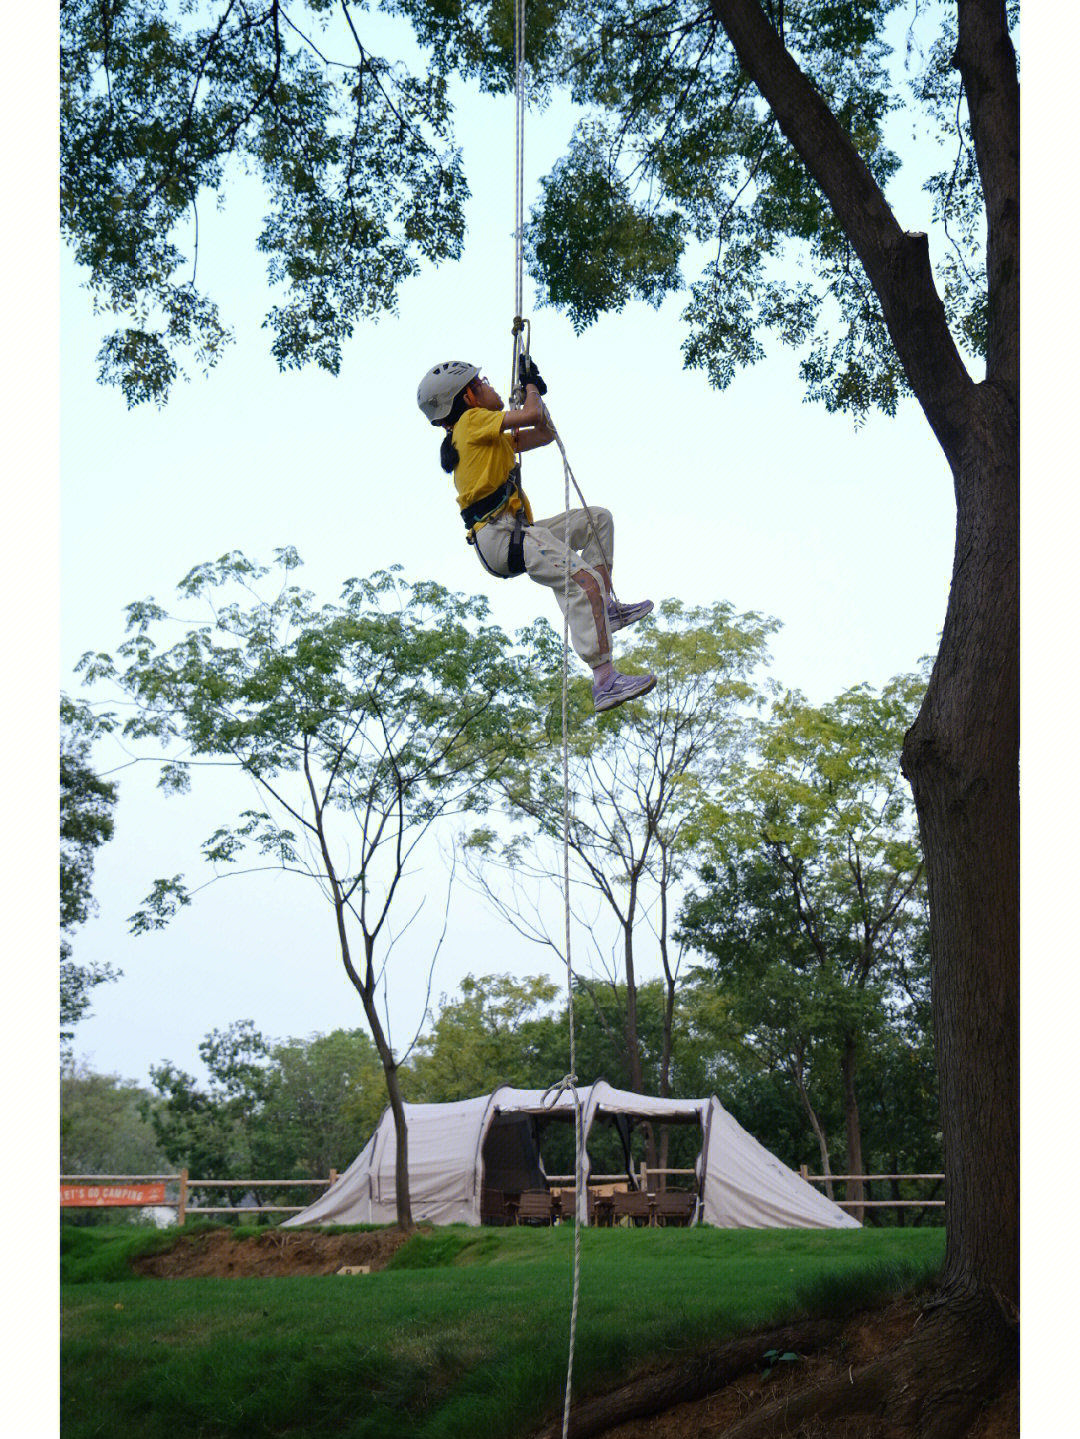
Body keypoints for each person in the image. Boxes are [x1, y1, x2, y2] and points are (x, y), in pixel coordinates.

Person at [417, 357, 656, 713]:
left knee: (596, 521)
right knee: (582, 581)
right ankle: (605, 680)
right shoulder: (471, 423)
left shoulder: (481, 436)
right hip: (502, 538)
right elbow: (529, 418)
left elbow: (544, 433)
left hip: (514, 531)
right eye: (481, 383)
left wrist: (533, 395)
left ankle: (605, 609)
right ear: (467, 398)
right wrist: (529, 390)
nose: (489, 385)